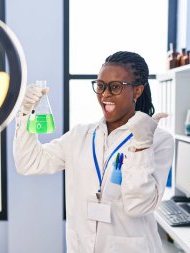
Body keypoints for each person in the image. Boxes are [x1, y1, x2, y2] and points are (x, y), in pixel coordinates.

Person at [13, 51, 174, 253]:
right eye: (100, 86)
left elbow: (138, 205)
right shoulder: (80, 136)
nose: (105, 94)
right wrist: (26, 112)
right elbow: (28, 163)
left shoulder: (159, 141)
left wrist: (142, 145)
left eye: (115, 87)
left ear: (137, 91)